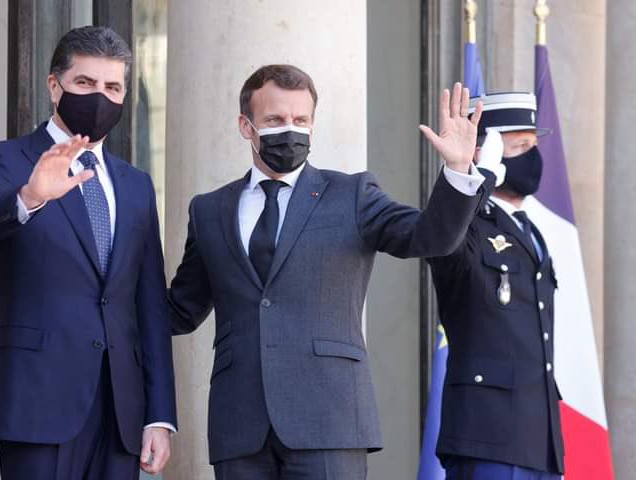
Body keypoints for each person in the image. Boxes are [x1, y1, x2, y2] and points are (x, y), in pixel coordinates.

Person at [168, 64, 493, 479]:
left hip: (330, 420)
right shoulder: (210, 210)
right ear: (246, 126)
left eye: (300, 120)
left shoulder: (352, 195)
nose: (290, 130)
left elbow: (429, 238)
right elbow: (180, 310)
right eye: (275, 120)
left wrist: (458, 172)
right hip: (240, 428)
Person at [0, 26, 175, 479]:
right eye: (85, 83)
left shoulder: (136, 185)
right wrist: (29, 196)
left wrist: (159, 415)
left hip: (121, 411)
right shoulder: (4, 160)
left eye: (112, 87)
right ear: (54, 87)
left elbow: (149, 304)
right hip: (38, 402)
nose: (100, 97)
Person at [429, 92, 564, 480]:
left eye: (534, 146)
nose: (532, 157)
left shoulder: (528, 231)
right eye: (520, 147)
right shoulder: (465, 225)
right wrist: (476, 177)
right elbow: (440, 235)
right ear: (483, 151)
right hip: (487, 433)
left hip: (539, 438)